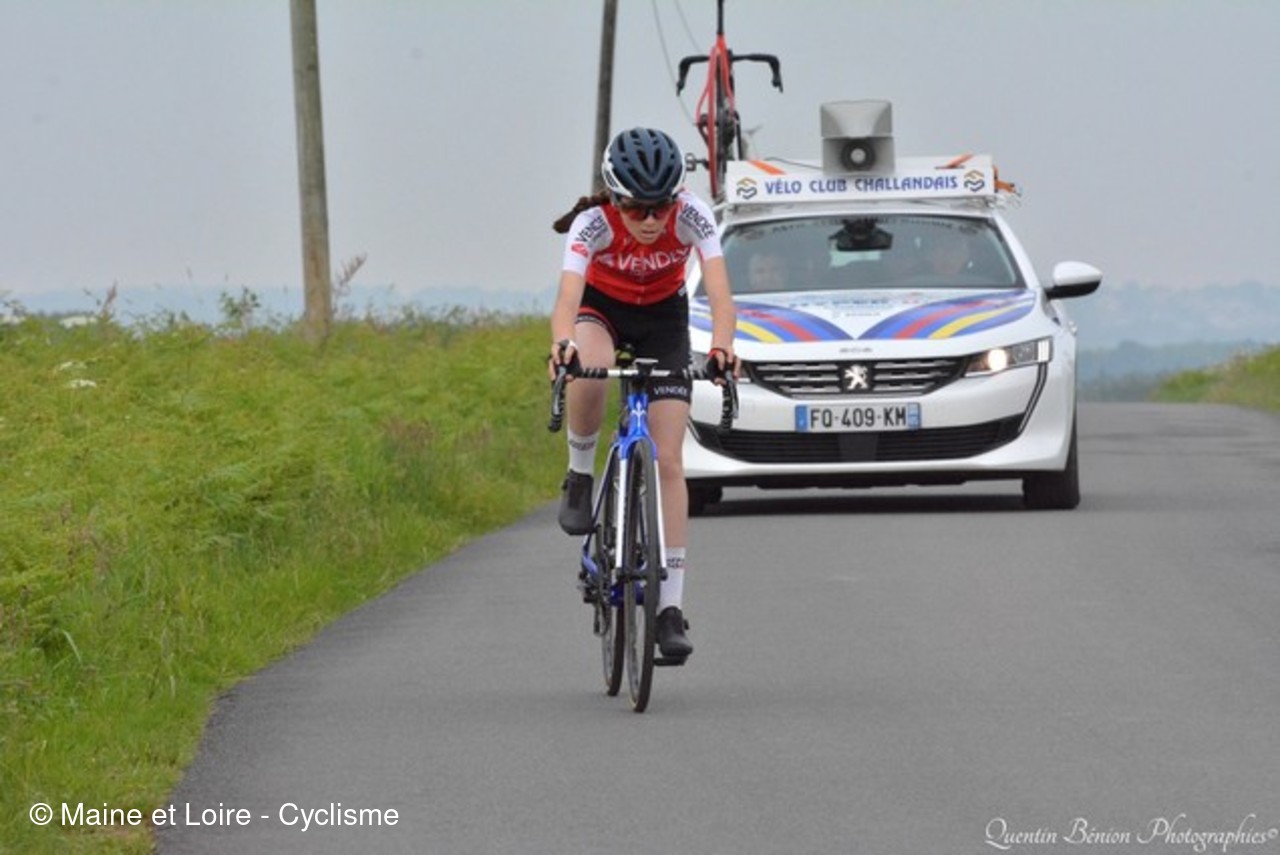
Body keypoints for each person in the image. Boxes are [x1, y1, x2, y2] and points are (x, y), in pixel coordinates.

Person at [548, 127, 738, 660]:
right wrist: (562, 344)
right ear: (614, 199)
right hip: (601, 310)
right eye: (636, 209)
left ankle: (669, 609)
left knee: (670, 459)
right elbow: (567, 300)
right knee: (591, 369)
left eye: (660, 207)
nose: (651, 221)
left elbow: (721, 296)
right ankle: (579, 475)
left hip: (663, 320)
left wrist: (722, 348)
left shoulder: (694, 215)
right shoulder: (591, 223)